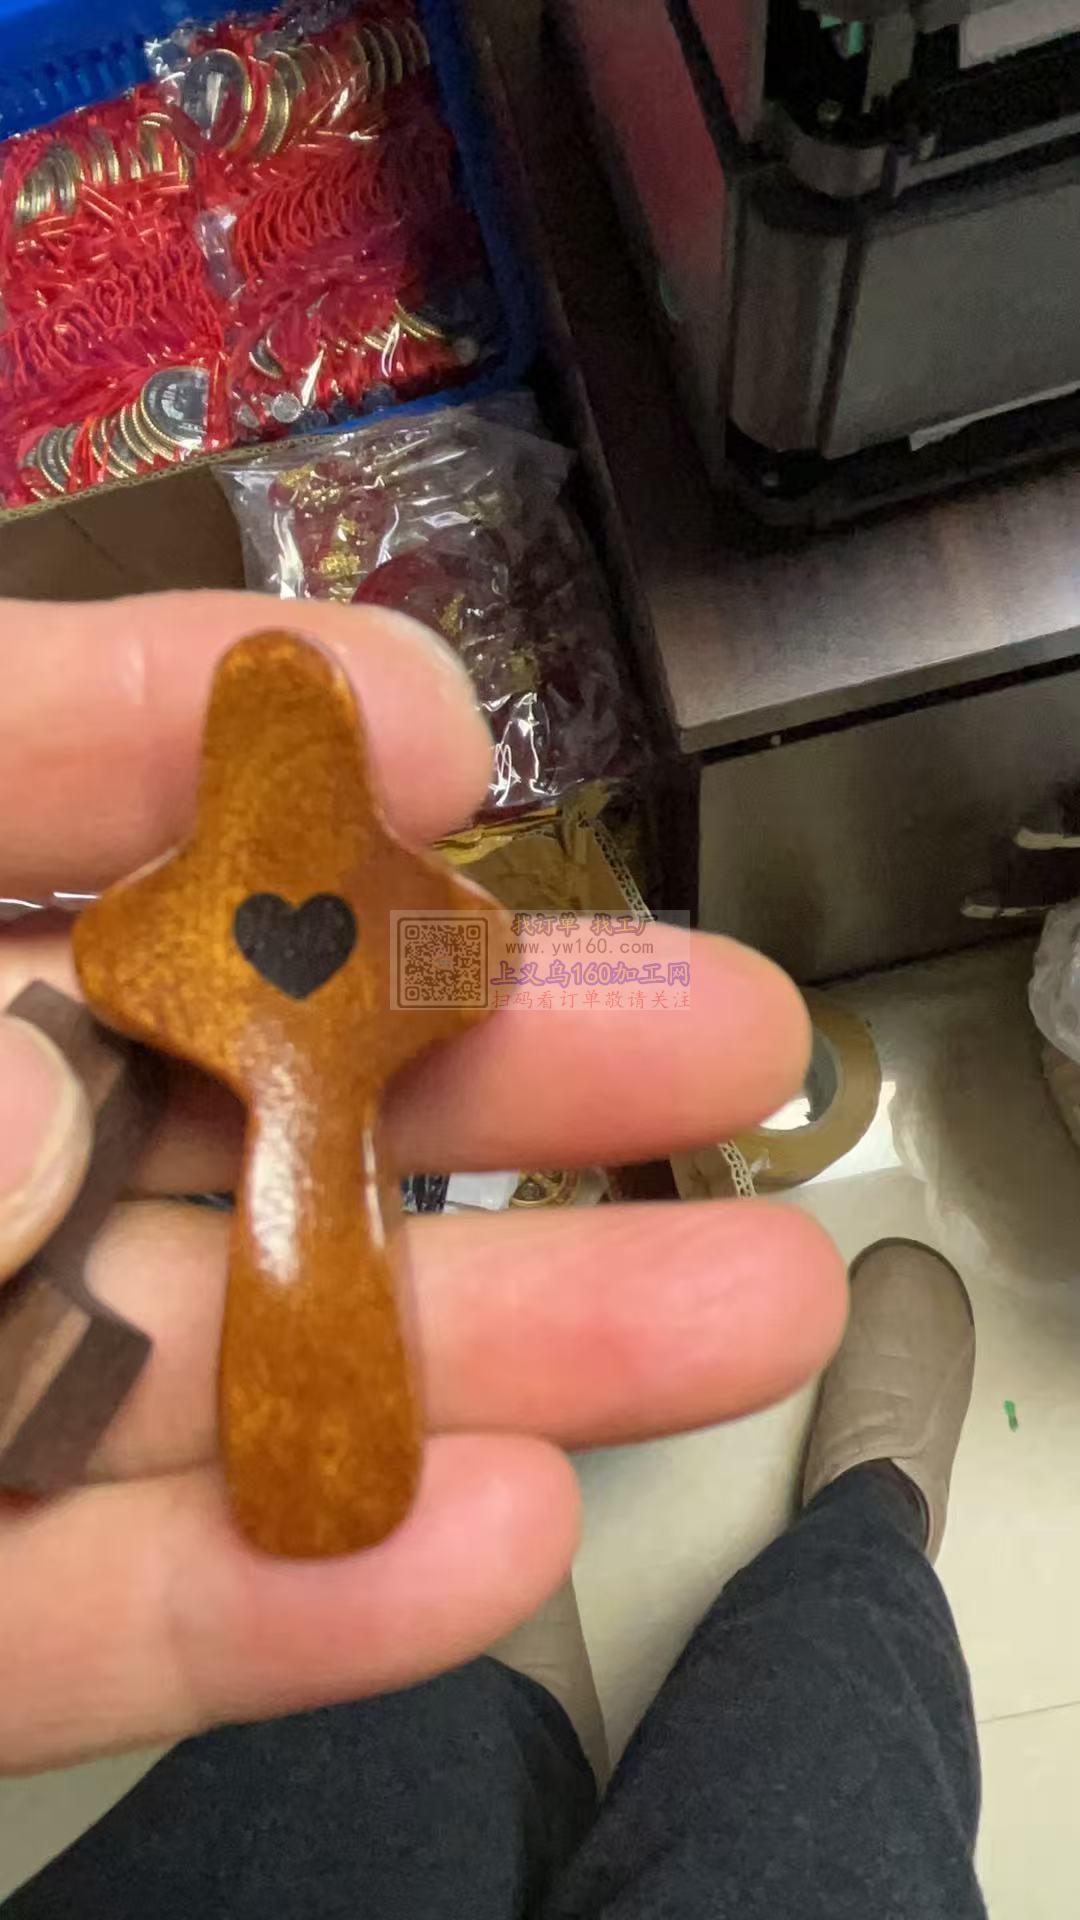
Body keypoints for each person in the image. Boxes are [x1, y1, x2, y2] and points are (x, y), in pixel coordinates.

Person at [0, 595, 981, 1916]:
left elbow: (453, 954)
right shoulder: (235, 931)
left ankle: (518, 1692)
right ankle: (865, 1533)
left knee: (384, 1750)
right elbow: (446, 953)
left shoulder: (224, 926)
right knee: (840, 1726)